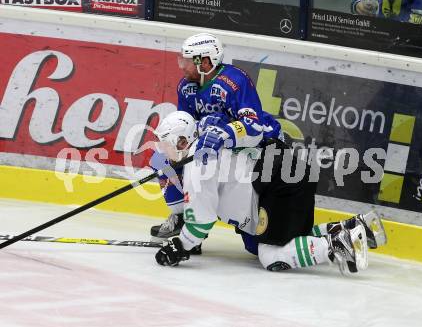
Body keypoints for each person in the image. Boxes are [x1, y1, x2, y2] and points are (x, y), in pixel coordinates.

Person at [152, 110, 387, 275]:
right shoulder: (207, 140)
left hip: (277, 184)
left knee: (270, 255)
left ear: (182, 141)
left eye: (165, 143)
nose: (163, 150)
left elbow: (201, 221)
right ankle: (359, 229)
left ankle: (339, 245)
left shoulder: (196, 165)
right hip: (286, 173)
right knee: (284, 238)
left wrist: (180, 246)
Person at [149, 32, 282, 246]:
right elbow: (187, 126)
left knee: (257, 243)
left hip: (257, 146)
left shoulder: (234, 81)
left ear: (206, 61)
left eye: (188, 60)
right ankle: (184, 218)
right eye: (181, 59)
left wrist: (223, 131)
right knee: (164, 157)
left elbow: (253, 125)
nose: (182, 66)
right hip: (215, 146)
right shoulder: (186, 87)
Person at [351, 0, 422, 25]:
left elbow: (418, 28)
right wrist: (358, 5)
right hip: (371, 36)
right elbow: (356, 2)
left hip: (401, 45)